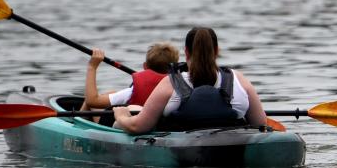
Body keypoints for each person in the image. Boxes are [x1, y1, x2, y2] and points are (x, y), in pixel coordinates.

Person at [113, 27, 267, 134]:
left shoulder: (170, 83)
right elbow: (260, 124)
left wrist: (121, 115)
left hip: (184, 159)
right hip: (232, 152)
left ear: (186, 52)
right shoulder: (238, 79)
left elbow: (139, 126)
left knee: (121, 121)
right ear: (217, 51)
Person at [84, 43, 179, 112]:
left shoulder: (131, 92)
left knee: (90, 100)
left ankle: (75, 124)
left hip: (135, 128)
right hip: (163, 127)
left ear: (145, 66)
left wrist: (92, 67)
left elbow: (92, 101)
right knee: (112, 93)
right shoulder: (180, 88)